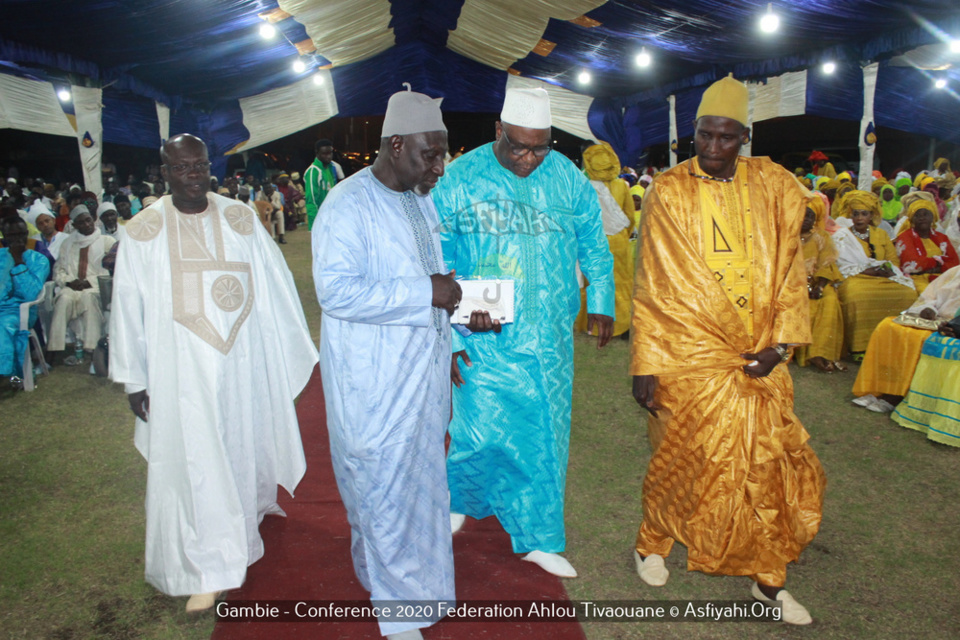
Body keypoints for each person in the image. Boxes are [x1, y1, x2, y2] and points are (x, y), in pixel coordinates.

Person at [630, 75, 825, 625]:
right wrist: (646, 362)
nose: (713, 149)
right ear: (693, 133)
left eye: (726, 138)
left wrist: (781, 346)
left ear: (745, 136)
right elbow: (655, 283)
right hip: (688, 356)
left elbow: (793, 266)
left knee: (764, 466)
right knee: (682, 458)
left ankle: (768, 578)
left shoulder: (775, 185)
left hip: (759, 355)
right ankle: (652, 544)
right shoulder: (669, 189)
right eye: (704, 136)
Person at [109, 133, 317, 613]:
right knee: (198, 461)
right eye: (182, 168)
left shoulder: (241, 218)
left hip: (240, 364)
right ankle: (212, 564)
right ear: (164, 172)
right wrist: (135, 377)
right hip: (181, 372)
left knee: (241, 445)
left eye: (200, 166)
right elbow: (128, 308)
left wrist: (274, 351)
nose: (194, 176)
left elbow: (275, 285)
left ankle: (246, 518)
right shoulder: (142, 231)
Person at [433, 87, 615, 579]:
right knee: (475, 424)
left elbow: (594, 245)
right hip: (481, 326)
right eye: (518, 146)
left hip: (550, 334)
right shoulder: (461, 177)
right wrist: (448, 337)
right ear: (499, 132)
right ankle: (462, 502)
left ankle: (538, 537)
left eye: (541, 147)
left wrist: (601, 298)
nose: (529, 157)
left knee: (546, 434)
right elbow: (436, 261)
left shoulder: (568, 179)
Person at [313, 86, 459, 640]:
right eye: (431, 153)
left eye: (442, 153)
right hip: (371, 381)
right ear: (395, 145)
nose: (440, 166)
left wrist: (459, 323)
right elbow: (337, 292)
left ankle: (409, 583)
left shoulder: (420, 200)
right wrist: (427, 292)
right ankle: (399, 615)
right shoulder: (346, 205)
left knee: (418, 487)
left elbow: (437, 280)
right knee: (379, 486)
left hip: (421, 374)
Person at [851, 265, 960, 414]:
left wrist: (954, 326)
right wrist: (928, 310)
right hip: (934, 319)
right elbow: (929, 296)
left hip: (952, 327)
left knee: (918, 338)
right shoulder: (955, 271)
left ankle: (896, 395)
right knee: (888, 327)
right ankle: (879, 389)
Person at [833, 191, 917, 357]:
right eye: (855, 214)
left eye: (864, 214)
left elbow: (893, 260)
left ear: (871, 215)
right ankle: (859, 348)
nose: (859, 218)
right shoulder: (841, 237)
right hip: (855, 278)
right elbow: (840, 265)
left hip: (883, 277)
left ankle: (894, 345)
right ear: (850, 215)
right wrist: (867, 271)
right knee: (856, 295)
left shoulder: (881, 234)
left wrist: (887, 270)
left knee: (908, 294)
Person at [576, 142, 634, 338]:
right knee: (621, 283)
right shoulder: (622, 186)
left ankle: (590, 326)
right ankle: (622, 325)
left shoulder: (583, 187)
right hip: (618, 241)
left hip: (592, 243)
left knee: (593, 282)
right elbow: (630, 217)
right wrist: (623, 236)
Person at [47, 204, 116, 364]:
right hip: (72, 286)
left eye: (88, 220)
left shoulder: (106, 241)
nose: (86, 225)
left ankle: (92, 349)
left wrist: (88, 282)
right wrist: (69, 282)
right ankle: (53, 348)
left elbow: (112, 270)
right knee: (63, 299)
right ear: (74, 225)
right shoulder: (68, 243)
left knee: (88, 298)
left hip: (97, 287)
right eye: (81, 222)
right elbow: (59, 270)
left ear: (93, 220)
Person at [795, 197, 845, 372]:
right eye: (802, 214)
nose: (806, 219)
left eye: (810, 216)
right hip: (790, 284)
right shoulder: (785, 235)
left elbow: (827, 264)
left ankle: (820, 353)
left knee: (829, 301)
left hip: (817, 282)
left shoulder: (822, 236)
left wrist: (820, 286)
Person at [0, 216, 50, 384]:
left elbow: (30, 294)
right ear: (4, 237)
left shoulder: (38, 260)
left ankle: (6, 372)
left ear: (27, 234)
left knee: (4, 324)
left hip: (21, 311)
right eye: (11, 236)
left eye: (21, 235)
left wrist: (18, 262)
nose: (17, 240)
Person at [895, 199, 959, 293]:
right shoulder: (905, 237)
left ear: (933, 217)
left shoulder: (942, 237)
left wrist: (930, 266)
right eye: (917, 215)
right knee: (931, 294)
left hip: (944, 276)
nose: (922, 218)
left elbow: (954, 263)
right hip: (917, 279)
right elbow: (911, 265)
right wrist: (938, 261)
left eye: (925, 214)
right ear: (912, 219)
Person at [304, 139, 344, 230]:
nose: (328, 156)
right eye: (324, 154)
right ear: (317, 153)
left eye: (330, 153)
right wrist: (316, 226)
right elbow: (311, 201)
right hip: (320, 221)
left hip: (333, 217)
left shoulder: (332, 167)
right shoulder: (313, 172)